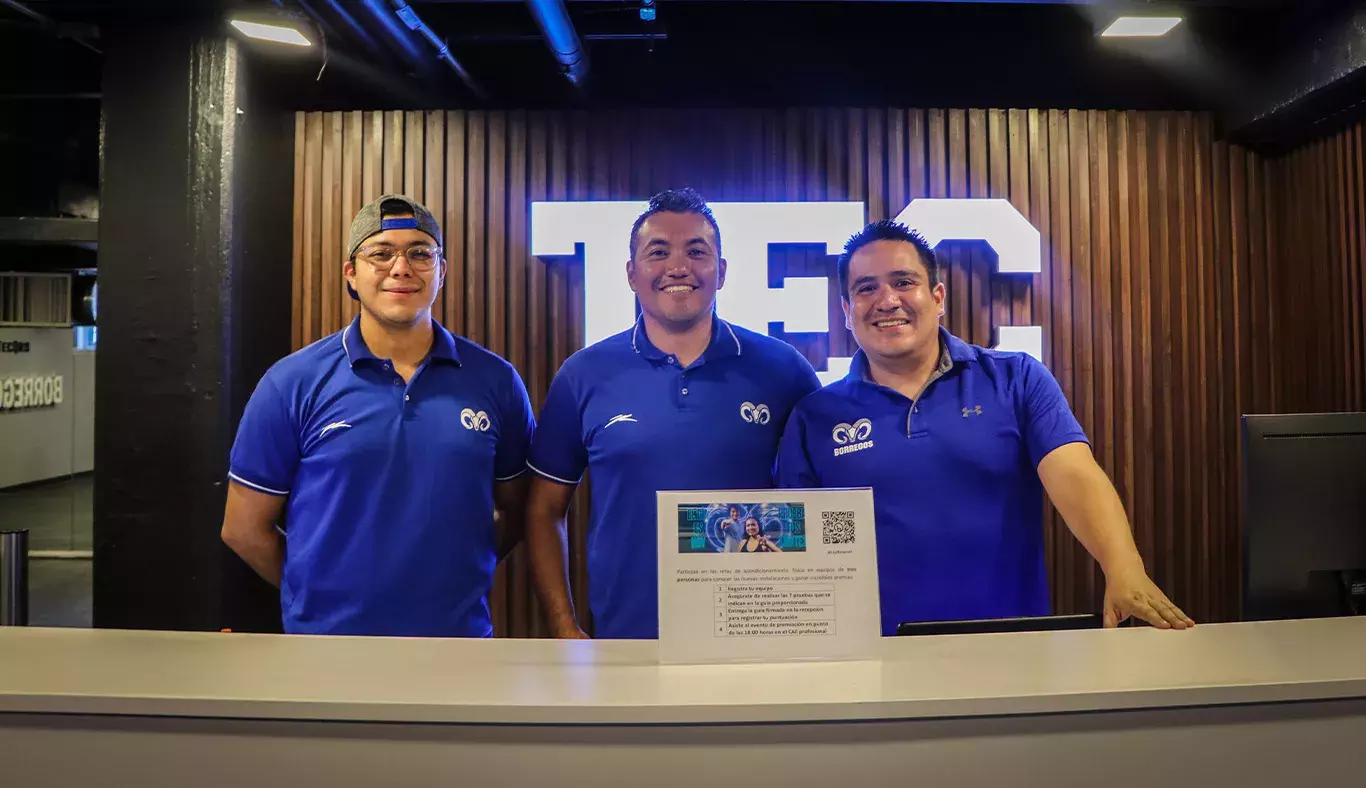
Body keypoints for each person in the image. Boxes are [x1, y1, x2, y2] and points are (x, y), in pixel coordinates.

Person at [774, 220, 1194, 636]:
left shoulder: (1016, 379)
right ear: (847, 312)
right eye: (866, 288)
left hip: (1010, 651)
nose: (886, 300)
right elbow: (796, 548)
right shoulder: (815, 416)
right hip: (872, 663)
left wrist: (1124, 569)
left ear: (937, 297)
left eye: (904, 282)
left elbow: (1074, 473)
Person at [220, 194, 535, 637]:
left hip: (457, 643)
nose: (401, 268)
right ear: (351, 273)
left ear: (441, 271)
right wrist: (313, 591)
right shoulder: (292, 382)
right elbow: (243, 528)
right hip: (326, 648)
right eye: (381, 253)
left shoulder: (497, 381)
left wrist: (458, 575)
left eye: (420, 254)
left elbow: (518, 512)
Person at [525, 187, 822, 639]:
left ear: (721, 272)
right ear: (631, 273)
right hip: (626, 639)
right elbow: (544, 511)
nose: (678, 267)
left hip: (757, 636)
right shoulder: (583, 375)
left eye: (696, 251)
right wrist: (564, 626)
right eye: (658, 252)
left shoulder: (783, 370)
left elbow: (821, 505)